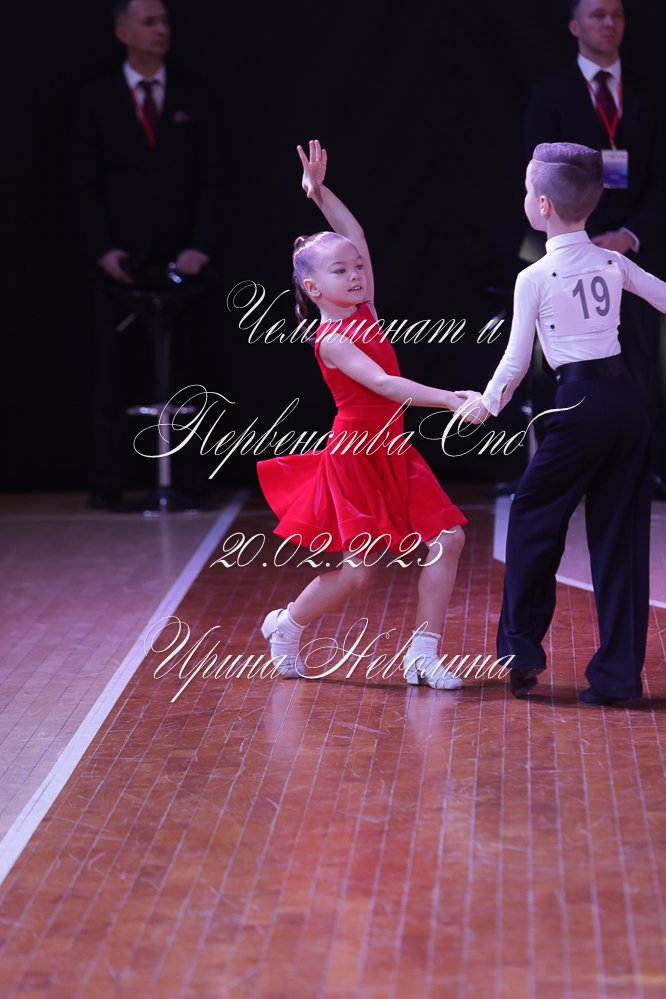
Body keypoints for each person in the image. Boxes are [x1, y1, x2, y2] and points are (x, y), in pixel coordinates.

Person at [458, 142, 666, 707]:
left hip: (577, 406)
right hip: (626, 403)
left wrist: (486, 405)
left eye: (528, 190)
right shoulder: (611, 261)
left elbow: (515, 363)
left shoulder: (535, 276)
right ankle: (618, 679)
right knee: (621, 539)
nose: (526, 198)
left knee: (532, 516)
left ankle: (521, 651)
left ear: (544, 205)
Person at [257, 140, 468, 690]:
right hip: (354, 457)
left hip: (394, 449)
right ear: (312, 287)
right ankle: (287, 623)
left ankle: (422, 653)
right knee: (360, 573)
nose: (355, 274)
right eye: (341, 270)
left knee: (448, 539)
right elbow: (384, 384)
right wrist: (449, 398)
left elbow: (357, 235)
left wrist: (319, 192)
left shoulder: (364, 307)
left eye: (357, 268)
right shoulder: (330, 337)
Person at [73, 0, 221, 508]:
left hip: (184, 260)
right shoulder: (96, 98)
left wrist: (199, 245)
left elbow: (212, 181)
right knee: (114, 371)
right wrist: (102, 249)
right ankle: (111, 482)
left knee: (191, 369)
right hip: (121, 262)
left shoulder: (193, 96)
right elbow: (84, 185)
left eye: (165, 21)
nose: (161, 30)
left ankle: (193, 479)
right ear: (123, 33)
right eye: (149, 22)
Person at [522, 0, 666, 495]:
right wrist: (575, 236)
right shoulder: (551, 93)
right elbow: (538, 178)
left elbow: (661, 180)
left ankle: (641, 467)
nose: (608, 23)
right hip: (568, 247)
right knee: (561, 356)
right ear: (574, 25)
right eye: (597, 15)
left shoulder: (647, 95)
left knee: (640, 358)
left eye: (617, 15)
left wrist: (628, 237)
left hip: (634, 246)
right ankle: (565, 465)